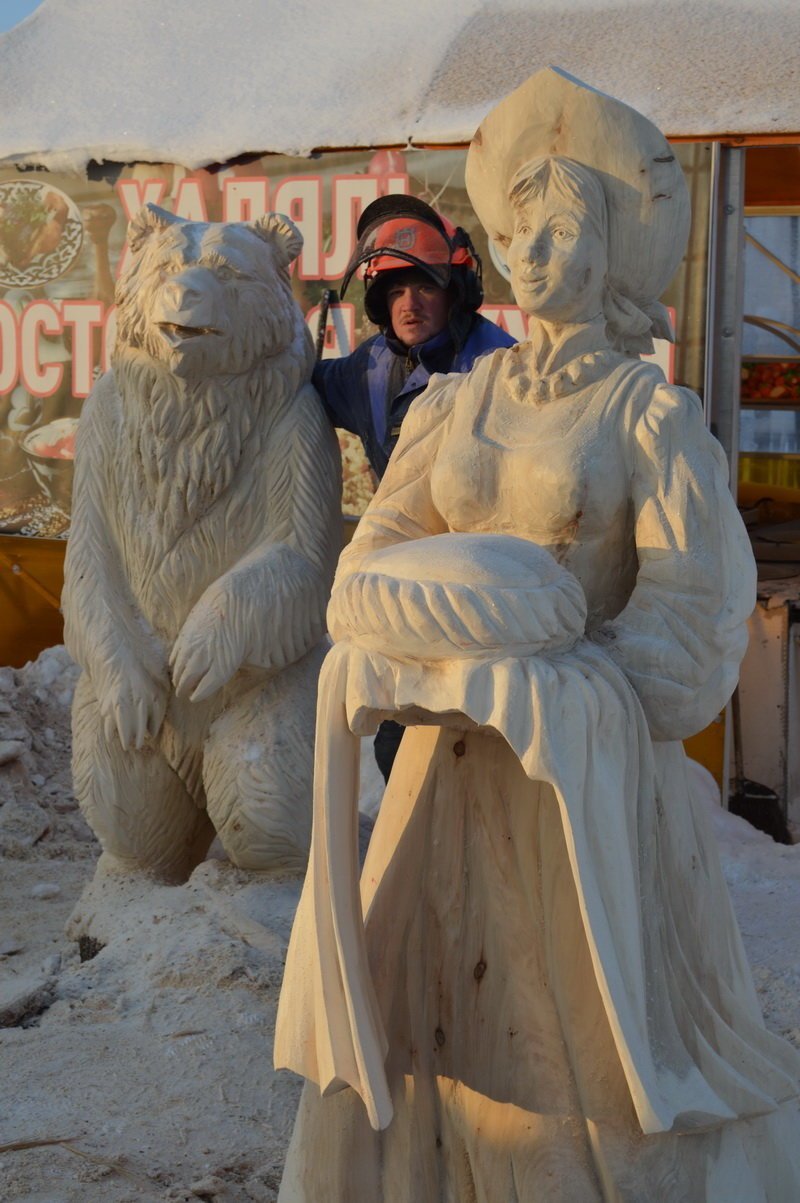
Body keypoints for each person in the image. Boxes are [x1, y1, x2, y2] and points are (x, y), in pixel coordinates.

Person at [275, 69, 800, 1200]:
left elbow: (692, 609)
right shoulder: (455, 403)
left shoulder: (645, 414)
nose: (538, 255)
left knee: (584, 1066)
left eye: (563, 232)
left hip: (585, 789)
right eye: (521, 233)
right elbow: (376, 556)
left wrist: (577, 678)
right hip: (446, 780)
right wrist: (423, 640)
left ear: (612, 250)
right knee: (432, 1043)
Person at [314, 194, 515, 780]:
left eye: (424, 286)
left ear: (456, 292)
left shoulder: (500, 367)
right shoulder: (368, 369)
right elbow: (296, 389)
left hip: (483, 587)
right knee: (398, 746)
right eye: (395, 291)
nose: (410, 303)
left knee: (475, 747)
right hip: (404, 590)